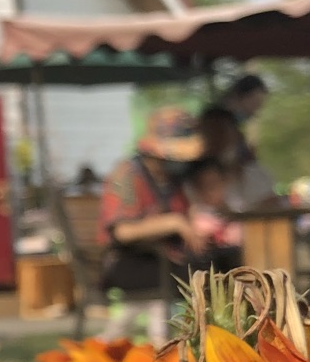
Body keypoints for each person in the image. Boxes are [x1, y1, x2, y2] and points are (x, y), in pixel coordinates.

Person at [98, 106, 208, 295]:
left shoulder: (173, 181)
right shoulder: (127, 175)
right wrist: (174, 223)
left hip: (169, 258)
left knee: (219, 266)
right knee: (203, 278)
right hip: (130, 263)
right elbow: (122, 232)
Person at [184, 157, 243, 261]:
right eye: (207, 186)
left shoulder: (235, 210)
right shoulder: (197, 217)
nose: (212, 191)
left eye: (216, 184)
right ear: (197, 189)